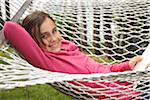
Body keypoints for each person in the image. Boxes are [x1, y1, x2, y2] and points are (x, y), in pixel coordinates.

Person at [2, 11, 143, 99]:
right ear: (33, 42)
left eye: (54, 31)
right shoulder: (46, 61)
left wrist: (127, 66)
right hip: (121, 96)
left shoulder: (68, 48)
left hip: (128, 84)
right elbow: (10, 27)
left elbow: (102, 69)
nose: (53, 38)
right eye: (44, 36)